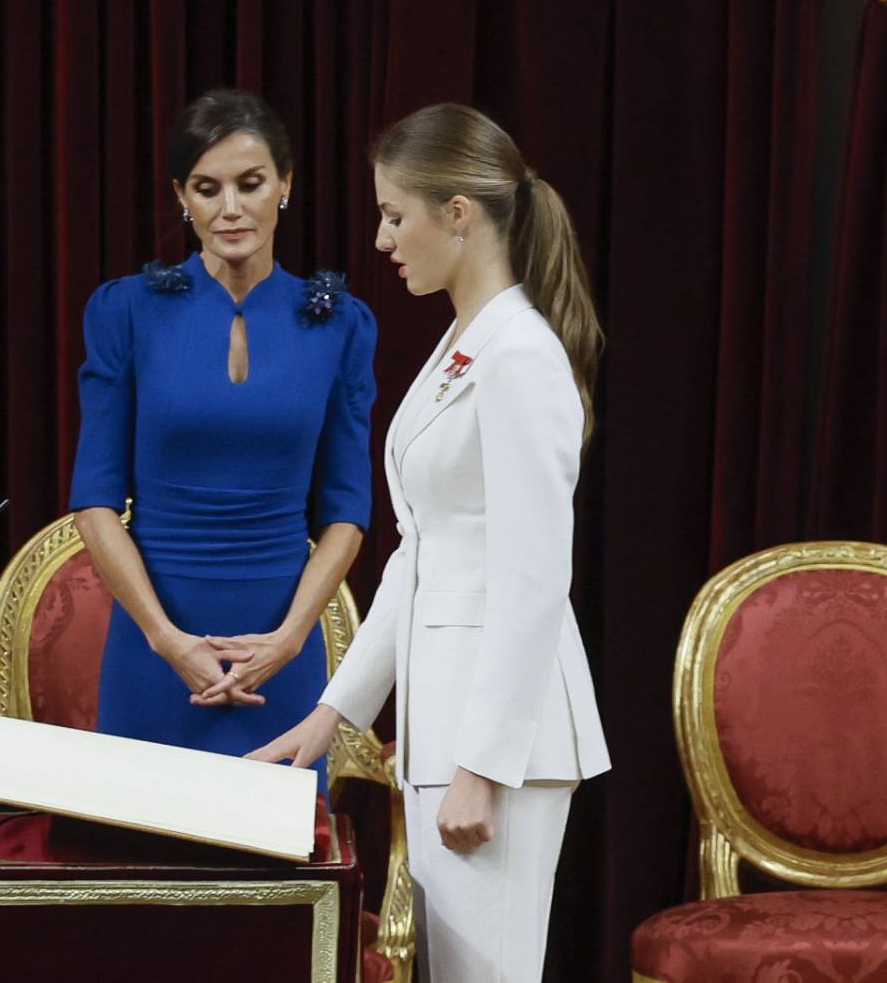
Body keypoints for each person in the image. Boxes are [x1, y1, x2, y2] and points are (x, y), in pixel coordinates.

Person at [250, 104, 611, 981]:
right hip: (447, 727)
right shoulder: (464, 342)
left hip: (500, 746)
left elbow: (532, 580)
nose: (381, 238)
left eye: (395, 215)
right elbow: (422, 555)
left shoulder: (520, 355)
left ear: (459, 213)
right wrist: (334, 714)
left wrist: (480, 767)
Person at [67, 88, 377, 787]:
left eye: (250, 183)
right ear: (182, 196)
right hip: (154, 658)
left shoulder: (341, 325)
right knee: (146, 877)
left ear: (285, 186)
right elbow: (93, 501)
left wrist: (292, 638)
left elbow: (347, 511)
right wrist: (165, 639)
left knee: (282, 887)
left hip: (281, 662)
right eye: (207, 189)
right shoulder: (126, 312)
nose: (230, 208)